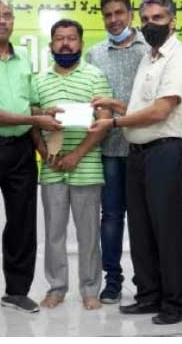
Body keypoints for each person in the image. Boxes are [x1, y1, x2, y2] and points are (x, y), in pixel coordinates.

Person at [91, 0, 182, 324]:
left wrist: (114, 123)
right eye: (146, 19)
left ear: (173, 21)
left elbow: (161, 110)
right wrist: (115, 105)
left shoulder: (179, 57)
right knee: (141, 231)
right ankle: (149, 295)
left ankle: (176, 303)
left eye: (158, 18)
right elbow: (140, 107)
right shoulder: (149, 57)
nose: (151, 25)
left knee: (167, 230)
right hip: (137, 153)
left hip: (165, 151)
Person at [0, 0, 62, 318]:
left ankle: (17, 292)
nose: (2, 20)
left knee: (23, 221)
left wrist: (44, 115)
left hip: (21, 149)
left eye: (7, 15)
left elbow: (28, 105)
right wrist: (35, 119)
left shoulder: (23, 59)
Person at [32, 19, 113, 311]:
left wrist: (77, 154)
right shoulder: (38, 80)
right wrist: (44, 152)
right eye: (59, 39)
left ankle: (90, 290)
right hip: (51, 169)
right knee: (54, 234)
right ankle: (56, 288)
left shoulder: (95, 77)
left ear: (81, 42)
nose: (65, 44)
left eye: (71, 38)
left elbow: (104, 122)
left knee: (88, 235)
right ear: (51, 44)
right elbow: (33, 123)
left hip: (87, 167)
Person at [84, 0, 147, 304]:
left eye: (119, 12)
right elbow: (88, 101)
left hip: (144, 147)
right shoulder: (94, 54)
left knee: (142, 220)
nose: (114, 19)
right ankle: (112, 281)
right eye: (107, 14)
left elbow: (153, 105)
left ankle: (146, 281)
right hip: (108, 149)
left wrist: (116, 106)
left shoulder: (150, 50)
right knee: (110, 217)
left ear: (131, 14)